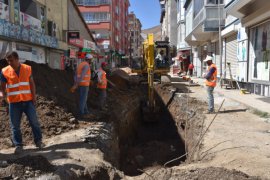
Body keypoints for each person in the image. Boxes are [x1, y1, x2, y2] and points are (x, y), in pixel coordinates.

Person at [0, 51, 44, 153]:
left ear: (17, 59)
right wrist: (3, 95)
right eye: (8, 61)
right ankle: (18, 145)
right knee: (15, 125)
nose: (9, 63)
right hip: (14, 103)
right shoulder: (4, 71)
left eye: (11, 60)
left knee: (34, 122)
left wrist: (34, 97)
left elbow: (31, 84)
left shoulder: (27, 68)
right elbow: (2, 87)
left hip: (28, 101)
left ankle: (38, 141)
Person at [70, 54, 92, 118]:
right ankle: (81, 113)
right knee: (83, 99)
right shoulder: (86, 65)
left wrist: (76, 83)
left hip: (80, 84)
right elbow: (82, 76)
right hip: (84, 85)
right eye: (91, 60)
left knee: (83, 98)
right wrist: (76, 84)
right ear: (89, 59)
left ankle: (86, 111)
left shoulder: (80, 64)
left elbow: (76, 74)